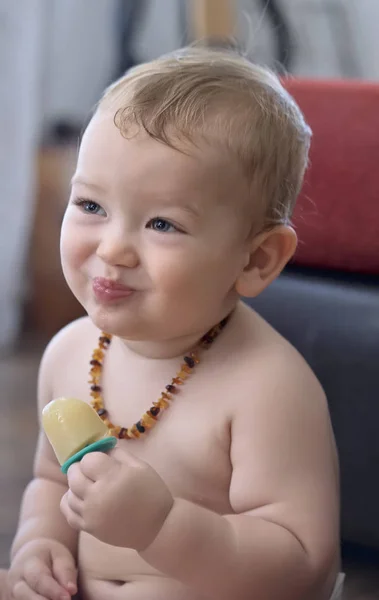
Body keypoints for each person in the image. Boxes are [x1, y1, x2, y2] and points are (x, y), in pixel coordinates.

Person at [6, 45, 342, 600]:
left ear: (256, 259)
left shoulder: (268, 389)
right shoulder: (68, 352)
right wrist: (39, 545)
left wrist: (162, 527)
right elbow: (50, 482)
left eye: (162, 223)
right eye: (90, 205)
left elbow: (303, 568)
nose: (113, 248)